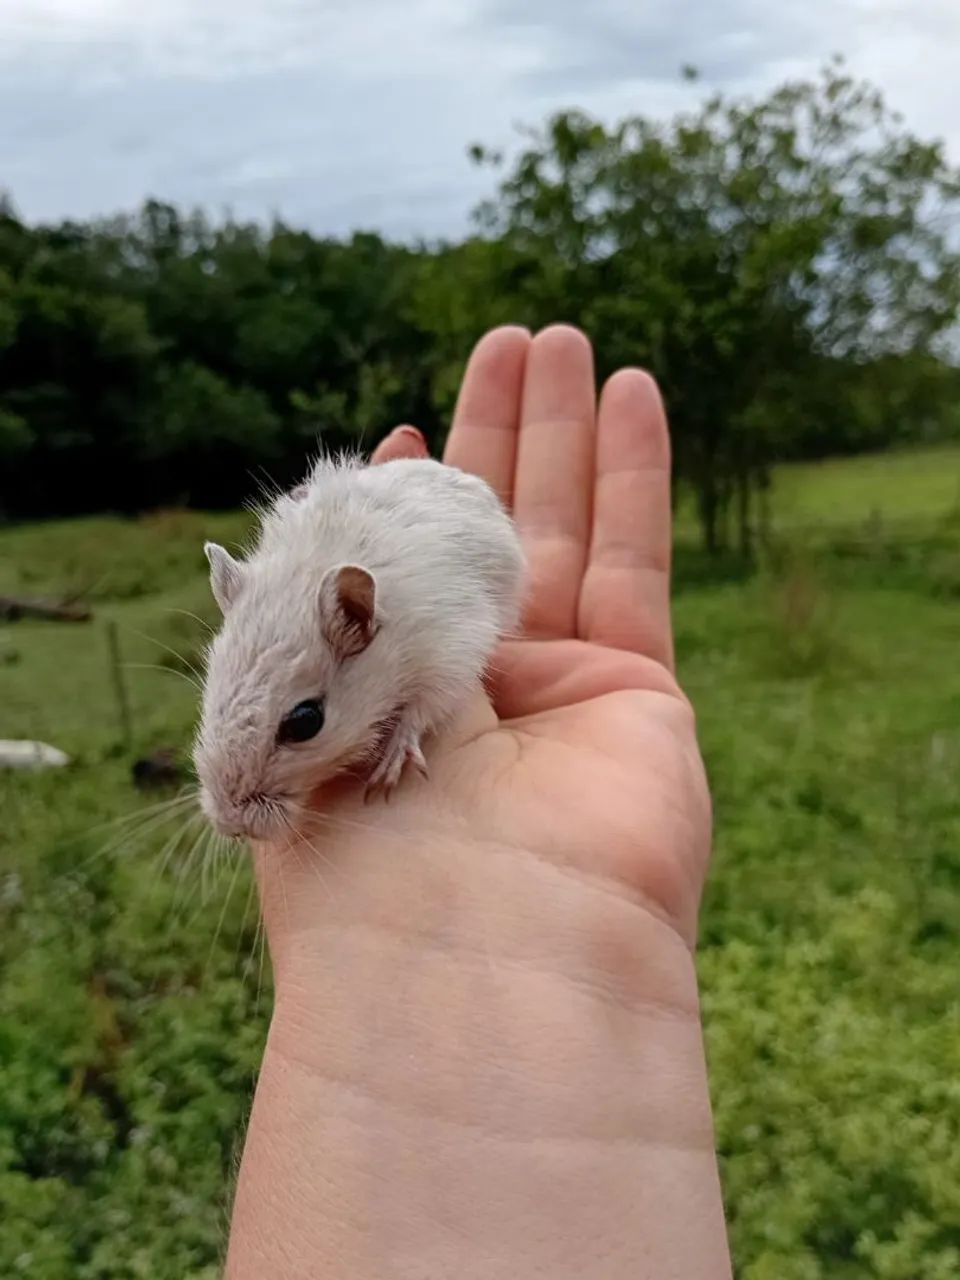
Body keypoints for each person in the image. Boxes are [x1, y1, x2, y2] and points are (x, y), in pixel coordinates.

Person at [225, 325, 732, 1279]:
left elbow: (459, 649)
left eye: (303, 724)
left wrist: (408, 724)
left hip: (442, 549)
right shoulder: (273, 605)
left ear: (359, 622)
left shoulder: (405, 623)